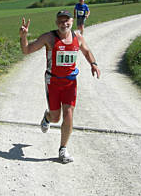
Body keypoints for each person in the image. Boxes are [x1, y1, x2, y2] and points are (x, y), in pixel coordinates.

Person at [19, 10, 101, 164]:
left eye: (67, 20)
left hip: (70, 82)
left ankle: (63, 149)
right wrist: (23, 37)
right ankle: (47, 117)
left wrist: (93, 64)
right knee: (56, 117)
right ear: (57, 23)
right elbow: (26, 50)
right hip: (53, 82)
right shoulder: (49, 37)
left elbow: (87, 51)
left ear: (72, 21)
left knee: (69, 113)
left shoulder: (78, 37)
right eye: (61, 21)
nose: (64, 24)